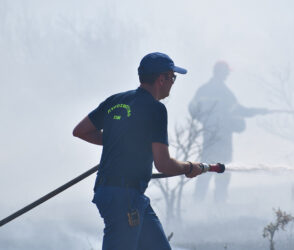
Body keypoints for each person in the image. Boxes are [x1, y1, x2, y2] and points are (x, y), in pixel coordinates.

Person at [73, 52, 208, 250]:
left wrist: (120, 141)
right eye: (172, 77)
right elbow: (163, 164)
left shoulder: (115, 101)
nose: (173, 82)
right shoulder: (156, 109)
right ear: (161, 79)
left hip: (121, 193)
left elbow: (81, 131)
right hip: (124, 197)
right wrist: (190, 167)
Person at [189, 61, 268, 203]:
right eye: (226, 72)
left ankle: (197, 202)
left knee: (204, 171)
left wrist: (205, 121)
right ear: (222, 73)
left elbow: (192, 108)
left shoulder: (203, 89)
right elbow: (238, 111)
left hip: (208, 138)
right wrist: (256, 112)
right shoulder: (225, 93)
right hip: (223, 140)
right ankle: (219, 205)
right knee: (222, 172)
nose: (227, 75)